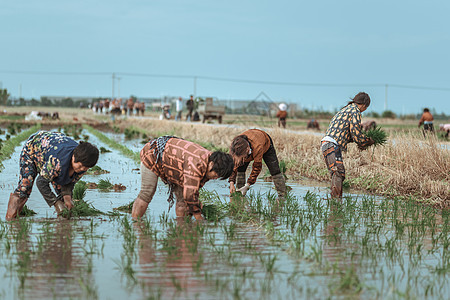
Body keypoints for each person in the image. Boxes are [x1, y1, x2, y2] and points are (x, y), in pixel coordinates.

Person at [131, 136, 234, 220]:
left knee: (182, 201)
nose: (215, 178)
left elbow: (191, 193)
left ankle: (181, 228)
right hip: (153, 155)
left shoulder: (212, 160)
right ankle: (135, 224)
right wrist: (198, 218)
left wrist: (196, 204)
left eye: (219, 177)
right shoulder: (196, 164)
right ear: (211, 165)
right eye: (216, 175)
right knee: (147, 193)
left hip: (175, 166)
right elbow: (190, 195)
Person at [6, 131, 99, 220]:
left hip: (52, 149)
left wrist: (67, 198)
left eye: (86, 167)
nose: (83, 169)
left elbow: (69, 182)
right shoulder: (57, 161)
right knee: (25, 186)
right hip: (33, 149)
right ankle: (11, 220)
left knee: (63, 199)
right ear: (74, 157)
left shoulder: (83, 165)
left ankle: (62, 228)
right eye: (81, 165)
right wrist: (54, 202)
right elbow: (41, 182)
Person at [321, 92, 374, 199]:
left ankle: (335, 200)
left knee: (338, 173)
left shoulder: (346, 109)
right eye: (366, 107)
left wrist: (360, 141)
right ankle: (336, 203)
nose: (365, 109)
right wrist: (367, 141)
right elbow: (356, 133)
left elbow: (347, 134)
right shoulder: (355, 112)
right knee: (338, 173)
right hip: (332, 144)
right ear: (364, 105)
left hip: (327, 143)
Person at [228, 129, 286, 199]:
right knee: (241, 167)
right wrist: (231, 183)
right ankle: (239, 192)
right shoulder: (235, 147)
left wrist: (247, 185)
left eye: (243, 158)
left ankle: (283, 195)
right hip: (250, 141)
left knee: (274, 170)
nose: (243, 160)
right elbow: (233, 165)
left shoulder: (257, 147)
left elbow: (257, 168)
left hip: (265, 142)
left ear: (247, 150)